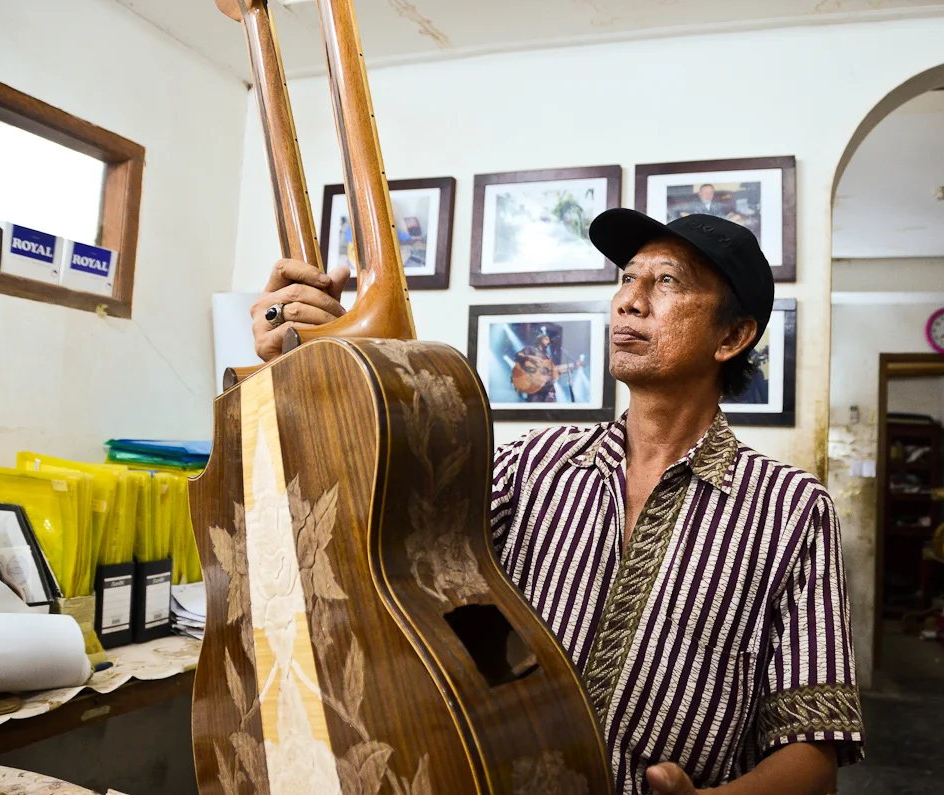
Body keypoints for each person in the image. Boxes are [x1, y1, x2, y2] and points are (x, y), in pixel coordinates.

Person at [249, 209, 864, 795]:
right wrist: (297, 369)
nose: (628, 299)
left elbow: (814, 746)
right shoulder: (533, 465)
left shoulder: (791, 509)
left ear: (732, 335)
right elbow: (362, 531)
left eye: (667, 282)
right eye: (627, 279)